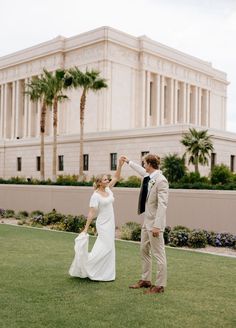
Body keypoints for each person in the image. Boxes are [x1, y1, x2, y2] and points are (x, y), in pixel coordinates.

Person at [69, 158, 124, 281]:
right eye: (105, 179)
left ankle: (106, 273)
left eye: (107, 179)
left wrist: (120, 165)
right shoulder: (95, 196)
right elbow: (91, 213)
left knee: (109, 247)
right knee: (105, 247)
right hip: (103, 224)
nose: (108, 180)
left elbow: (116, 177)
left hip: (110, 222)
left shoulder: (108, 189)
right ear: (99, 183)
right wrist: (86, 228)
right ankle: (89, 267)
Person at [122, 154, 169, 294]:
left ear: (149, 164)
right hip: (146, 222)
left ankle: (159, 285)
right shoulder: (149, 176)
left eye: (144, 163)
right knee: (143, 250)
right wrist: (128, 162)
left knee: (159, 254)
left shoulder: (161, 181)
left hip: (155, 224)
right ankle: (146, 280)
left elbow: (163, 205)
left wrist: (157, 226)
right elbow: (140, 171)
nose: (143, 166)